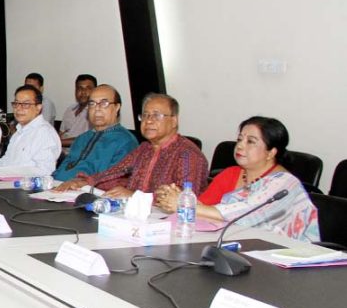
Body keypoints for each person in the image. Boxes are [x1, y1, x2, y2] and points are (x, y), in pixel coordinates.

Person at [155, 116, 319, 242]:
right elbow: (206, 209)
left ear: (271, 152)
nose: (240, 146)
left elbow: (247, 212)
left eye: (250, 142)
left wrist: (184, 205)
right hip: (238, 245)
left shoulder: (284, 183)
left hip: (284, 256)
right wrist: (179, 197)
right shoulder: (231, 173)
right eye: (240, 139)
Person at [55, 93, 208, 197]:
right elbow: (116, 172)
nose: (148, 121)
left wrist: (134, 196)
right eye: (145, 115)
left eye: (156, 115)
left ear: (174, 120)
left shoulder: (187, 154)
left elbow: (185, 198)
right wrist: (83, 182)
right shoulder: (145, 148)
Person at [53, 85, 138, 181]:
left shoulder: (126, 142)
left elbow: (115, 181)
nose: (97, 108)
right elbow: (62, 170)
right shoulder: (81, 139)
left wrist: (80, 184)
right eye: (92, 104)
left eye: (104, 103)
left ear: (117, 107)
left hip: (90, 193)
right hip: (57, 189)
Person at [0, 85, 61, 174]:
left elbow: (45, 171)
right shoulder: (19, 132)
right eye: (16, 103)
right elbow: (7, 160)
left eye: (26, 104)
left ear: (38, 108)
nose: (18, 108)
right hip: (7, 182)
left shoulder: (44, 133)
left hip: (26, 185)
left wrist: (11, 174)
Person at [59, 74, 97, 147]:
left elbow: (87, 140)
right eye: (79, 88)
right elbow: (61, 133)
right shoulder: (70, 109)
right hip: (61, 152)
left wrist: (57, 143)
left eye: (88, 88)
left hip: (80, 155)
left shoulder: (96, 112)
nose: (83, 92)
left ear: (95, 90)